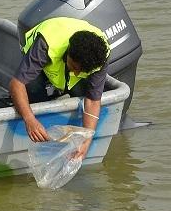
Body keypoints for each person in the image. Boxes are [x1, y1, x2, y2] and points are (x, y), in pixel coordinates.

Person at [9, 17, 109, 159]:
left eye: (82, 71)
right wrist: (30, 120)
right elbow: (16, 84)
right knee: (33, 89)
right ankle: (41, 127)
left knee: (84, 90)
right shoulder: (47, 45)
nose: (76, 73)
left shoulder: (100, 56)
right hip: (41, 59)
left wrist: (87, 140)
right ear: (68, 52)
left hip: (73, 62)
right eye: (74, 67)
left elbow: (93, 100)